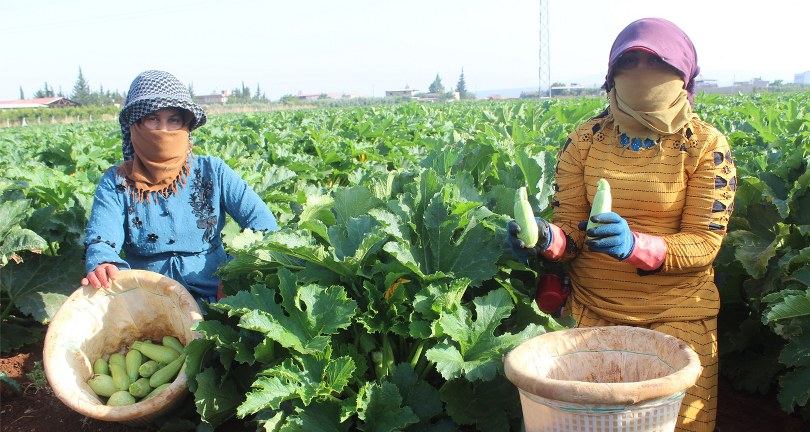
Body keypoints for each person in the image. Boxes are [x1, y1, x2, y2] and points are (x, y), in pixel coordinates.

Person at [507, 18, 736, 432]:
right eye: (630, 62)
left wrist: (638, 246)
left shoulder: (705, 146)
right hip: (594, 312)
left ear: (683, 74)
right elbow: (572, 237)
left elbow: (705, 243)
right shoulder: (586, 140)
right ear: (611, 74)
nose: (642, 74)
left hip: (677, 315)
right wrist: (544, 238)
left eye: (657, 64)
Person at [81, 70, 278, 305]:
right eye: (152, 119)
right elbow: (102, 240)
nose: (163, 130)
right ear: (136, 124)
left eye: (173, 120)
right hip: (147, 300)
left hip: (215, 295)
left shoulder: (213, 171)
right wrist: (104, 263)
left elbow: (264, 224)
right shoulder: (117, 182)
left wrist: (235, 272)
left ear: (186, 126)